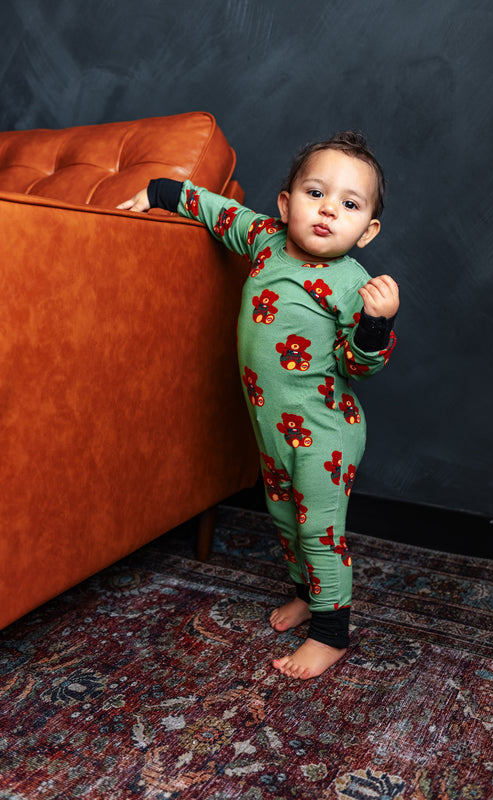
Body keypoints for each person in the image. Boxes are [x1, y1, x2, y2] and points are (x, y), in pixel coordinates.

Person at [118, 131, 399, 680]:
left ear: (367, 232)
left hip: (325, 434)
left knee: (318, 528)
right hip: (273, 429)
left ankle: (330, 634)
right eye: (316, 193)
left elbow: (360, 368)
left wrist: (375, 323)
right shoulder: (265, 240)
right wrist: (161, 191)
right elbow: (219, 212)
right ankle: (305, 595)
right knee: (283, 518)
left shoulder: (352, 285)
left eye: (348, 205)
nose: (327, 211)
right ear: (286, 204)